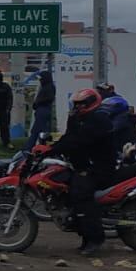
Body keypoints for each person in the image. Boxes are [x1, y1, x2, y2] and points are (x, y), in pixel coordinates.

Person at [50, 88, 116, 256]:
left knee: (81, 193)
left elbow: (80, 140)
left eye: (82, 104)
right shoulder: (76, 119)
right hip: (81, 166)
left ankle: (95, 238)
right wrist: (49, 149)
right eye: (77, 104)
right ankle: (84, 234)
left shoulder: (99, 119)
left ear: (92, 103)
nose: (78, 107)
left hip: (99, 168)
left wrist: (57, 148)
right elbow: (68, 137)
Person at [28, 70, 56, 150]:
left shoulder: (49, 87)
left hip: (43, 110)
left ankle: (46, 147)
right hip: (40, 110)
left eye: (41, 78)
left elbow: (49, 98)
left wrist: (38, 103)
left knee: (42, 131)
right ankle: (29, 147)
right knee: (36, 131)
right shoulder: (46, 86)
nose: (40, 80)